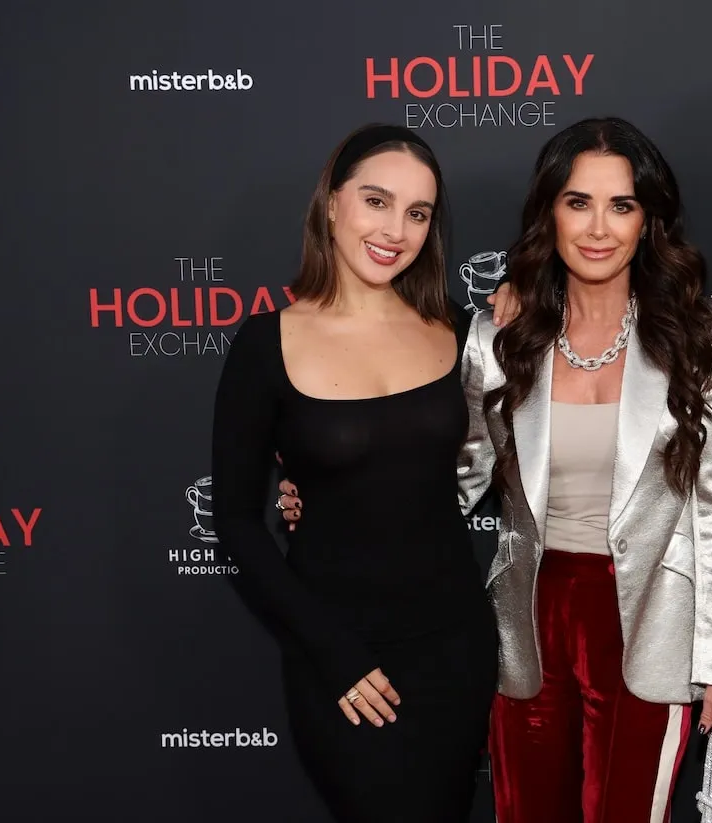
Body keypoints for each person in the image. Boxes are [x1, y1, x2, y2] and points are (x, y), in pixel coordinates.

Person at [279, 116, 712, 823]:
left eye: (621, 205)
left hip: (652, 624)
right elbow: (446, 479)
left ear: (648, 221)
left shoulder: (707, 338)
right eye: (577, 202)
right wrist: (331, 496)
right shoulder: (500, 339)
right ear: (549, 213)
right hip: (524, 622)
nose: (598, 227)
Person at [211, 123, 498, 823]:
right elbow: (238, 523)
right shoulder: (265, 343)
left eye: (418, 213)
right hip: (338, 658)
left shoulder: (463, 332)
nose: (395, 228)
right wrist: (332, 653)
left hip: (454, 648)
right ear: (333, 202)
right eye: (376, 200)